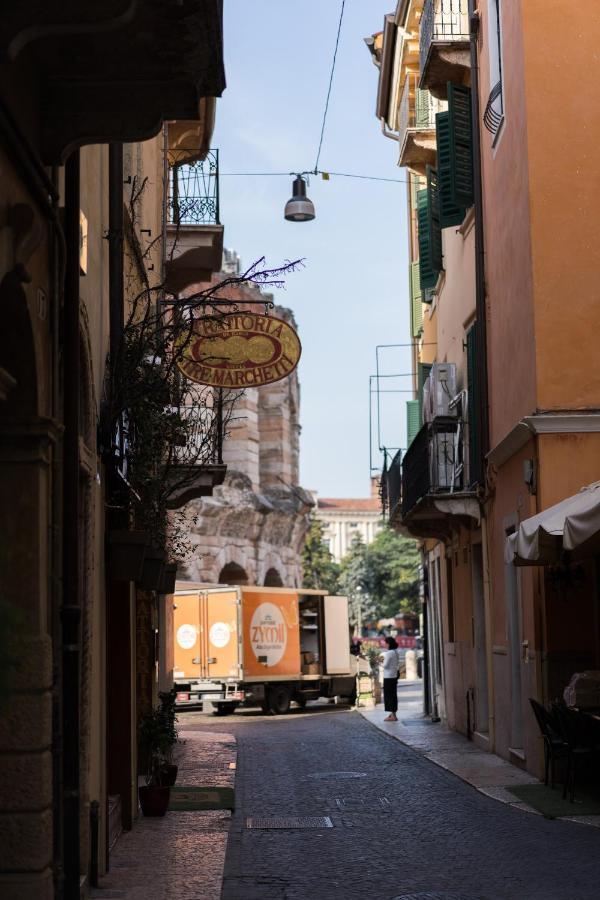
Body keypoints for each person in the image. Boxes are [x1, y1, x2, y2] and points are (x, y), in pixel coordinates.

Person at [381, 636, 400, 722]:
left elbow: (385, 666)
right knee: (393, 695)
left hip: (388, 677)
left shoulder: (389, 653)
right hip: (394, 676)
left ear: (388, 644)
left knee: (389, 696)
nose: (384, 644)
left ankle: (393, 715)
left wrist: (378, 662)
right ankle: (393, 714)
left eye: (385, 643)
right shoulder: (395, 652)